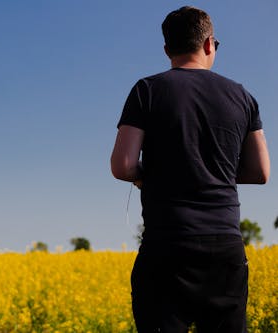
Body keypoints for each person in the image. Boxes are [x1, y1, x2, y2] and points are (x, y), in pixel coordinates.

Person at [110, 6, 270, 333]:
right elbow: (260, 171)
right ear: (210, 44)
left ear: (167, 49)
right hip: (224, 247)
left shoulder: (147, 90)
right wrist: (214, 170)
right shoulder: (244, 97)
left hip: (167, 244)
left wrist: (149, 174)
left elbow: (123, 165)